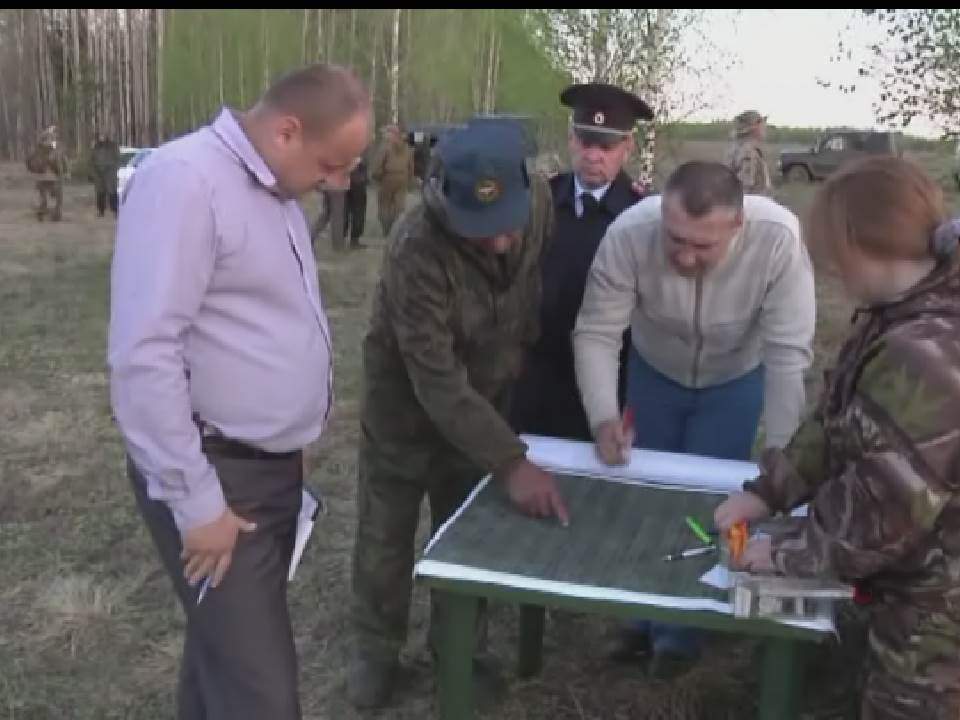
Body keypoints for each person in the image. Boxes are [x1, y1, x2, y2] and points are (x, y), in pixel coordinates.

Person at [108, 64, 370, 720]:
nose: (339, 182)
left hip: (268, 475)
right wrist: (197, 503)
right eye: (331, 165)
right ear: (287, 132)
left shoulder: (275, 190)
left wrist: (290, 439)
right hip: (216, 481)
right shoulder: (186, 182)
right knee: (260, 696)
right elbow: (144, 355)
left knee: (222, 662)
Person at [716, 157, 960, 720]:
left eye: (832, 253)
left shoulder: (926, 354)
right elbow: (840, 424)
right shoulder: (896, 312)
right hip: (919, 582)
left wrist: (786, 553)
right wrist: (768, 493)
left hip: (942, 609)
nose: (829, 271)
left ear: (857, 243)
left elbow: (885, 507)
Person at [348, 121, 569, 709]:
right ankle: (376, 652)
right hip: (404, 409)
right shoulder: (414, 246)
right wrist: (512, 463)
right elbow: (436, 378)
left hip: (488, 397)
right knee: (385, 534)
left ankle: (458, 653)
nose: (500, 243)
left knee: (465, 534)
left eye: (507, 226)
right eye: (481, 230)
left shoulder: (539, 202)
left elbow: (530, 281)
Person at [574, 161, 815, 677]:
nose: (684, 257)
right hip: (654, 371)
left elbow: (788, 356)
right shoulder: (629, 234)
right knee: (645, 496)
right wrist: (602, 416)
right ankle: (640, 614)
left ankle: (682, 631)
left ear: (738, 226)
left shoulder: (778, 239)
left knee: (712, 505)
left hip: (735, 378)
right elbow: (596, 331)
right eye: (675, 238)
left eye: (702, 246)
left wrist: (781, 460)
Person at [511, 82, 653, 441]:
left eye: (606, 147)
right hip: (535, 370)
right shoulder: (539, 201)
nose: (593, 156)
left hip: (608, 377)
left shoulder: (642, 215)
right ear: (571, 139)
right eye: (585, 142)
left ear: (627, 147)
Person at [371, 123, 414, 236]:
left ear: (391, 134)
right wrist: (409, 179)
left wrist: (376, 176)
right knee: (399, 205)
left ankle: (387, 229)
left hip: (388, 178)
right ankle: (397, 229)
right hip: (403, 178)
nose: (384, 135)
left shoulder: (385, 147)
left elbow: (378, 165)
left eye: (386, 133)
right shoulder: (407, 147)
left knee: (384, 205)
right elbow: (411, 166)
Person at [26, 125, 67, 222]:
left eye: (55, 134)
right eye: (53, 134)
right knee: (48, 196)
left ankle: (52, 213)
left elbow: (62, 160)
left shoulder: (52, 146)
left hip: (51, 176)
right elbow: (30, 160)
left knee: (53, 196)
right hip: (46, 176)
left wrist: (64, 170)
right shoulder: (44, 148)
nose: (54, 136)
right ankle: (45, 212)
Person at [726, 109, 771, 195]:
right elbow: (745, 189)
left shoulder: (738, 147)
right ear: (755, 127)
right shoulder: (749, 152)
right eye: (762, 124)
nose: (764, 127)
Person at [90, 133, 121, 217]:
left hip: (110, 172)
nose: (102, 137)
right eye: (101, 136)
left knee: (112, 192)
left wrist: (114, 169)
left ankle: (115, 210)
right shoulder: (96, 146)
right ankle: (101, 211)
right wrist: (94, 172)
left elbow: (117, 159)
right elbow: (92, 160)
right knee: (100, 192)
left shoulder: (113, 146)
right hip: (98, 173)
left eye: (103, 135)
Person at [344, 154, 368, 248]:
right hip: (357, 183)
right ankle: (354, 239)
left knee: (345, 211)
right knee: (358, 212)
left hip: (345, 182)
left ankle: (342, 237)